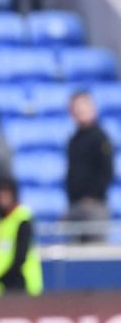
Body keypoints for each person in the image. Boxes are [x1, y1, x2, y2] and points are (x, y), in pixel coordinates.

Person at [0, 178, 43, 296]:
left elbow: (21, 256)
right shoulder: (4, 221)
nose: (2, 199)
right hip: (0, 290)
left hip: (18, 288)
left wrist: (4, 279)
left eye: (5, 195)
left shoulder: (22, 219)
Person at [64, 90, 114, 242]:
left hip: (94, 206)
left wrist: (92, 196)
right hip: (75, 205)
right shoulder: (74, 140)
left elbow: (107, 171)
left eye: (83, 107)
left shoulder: (100, 138)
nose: (80, 112)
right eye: (76, 108)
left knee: (94, 252)